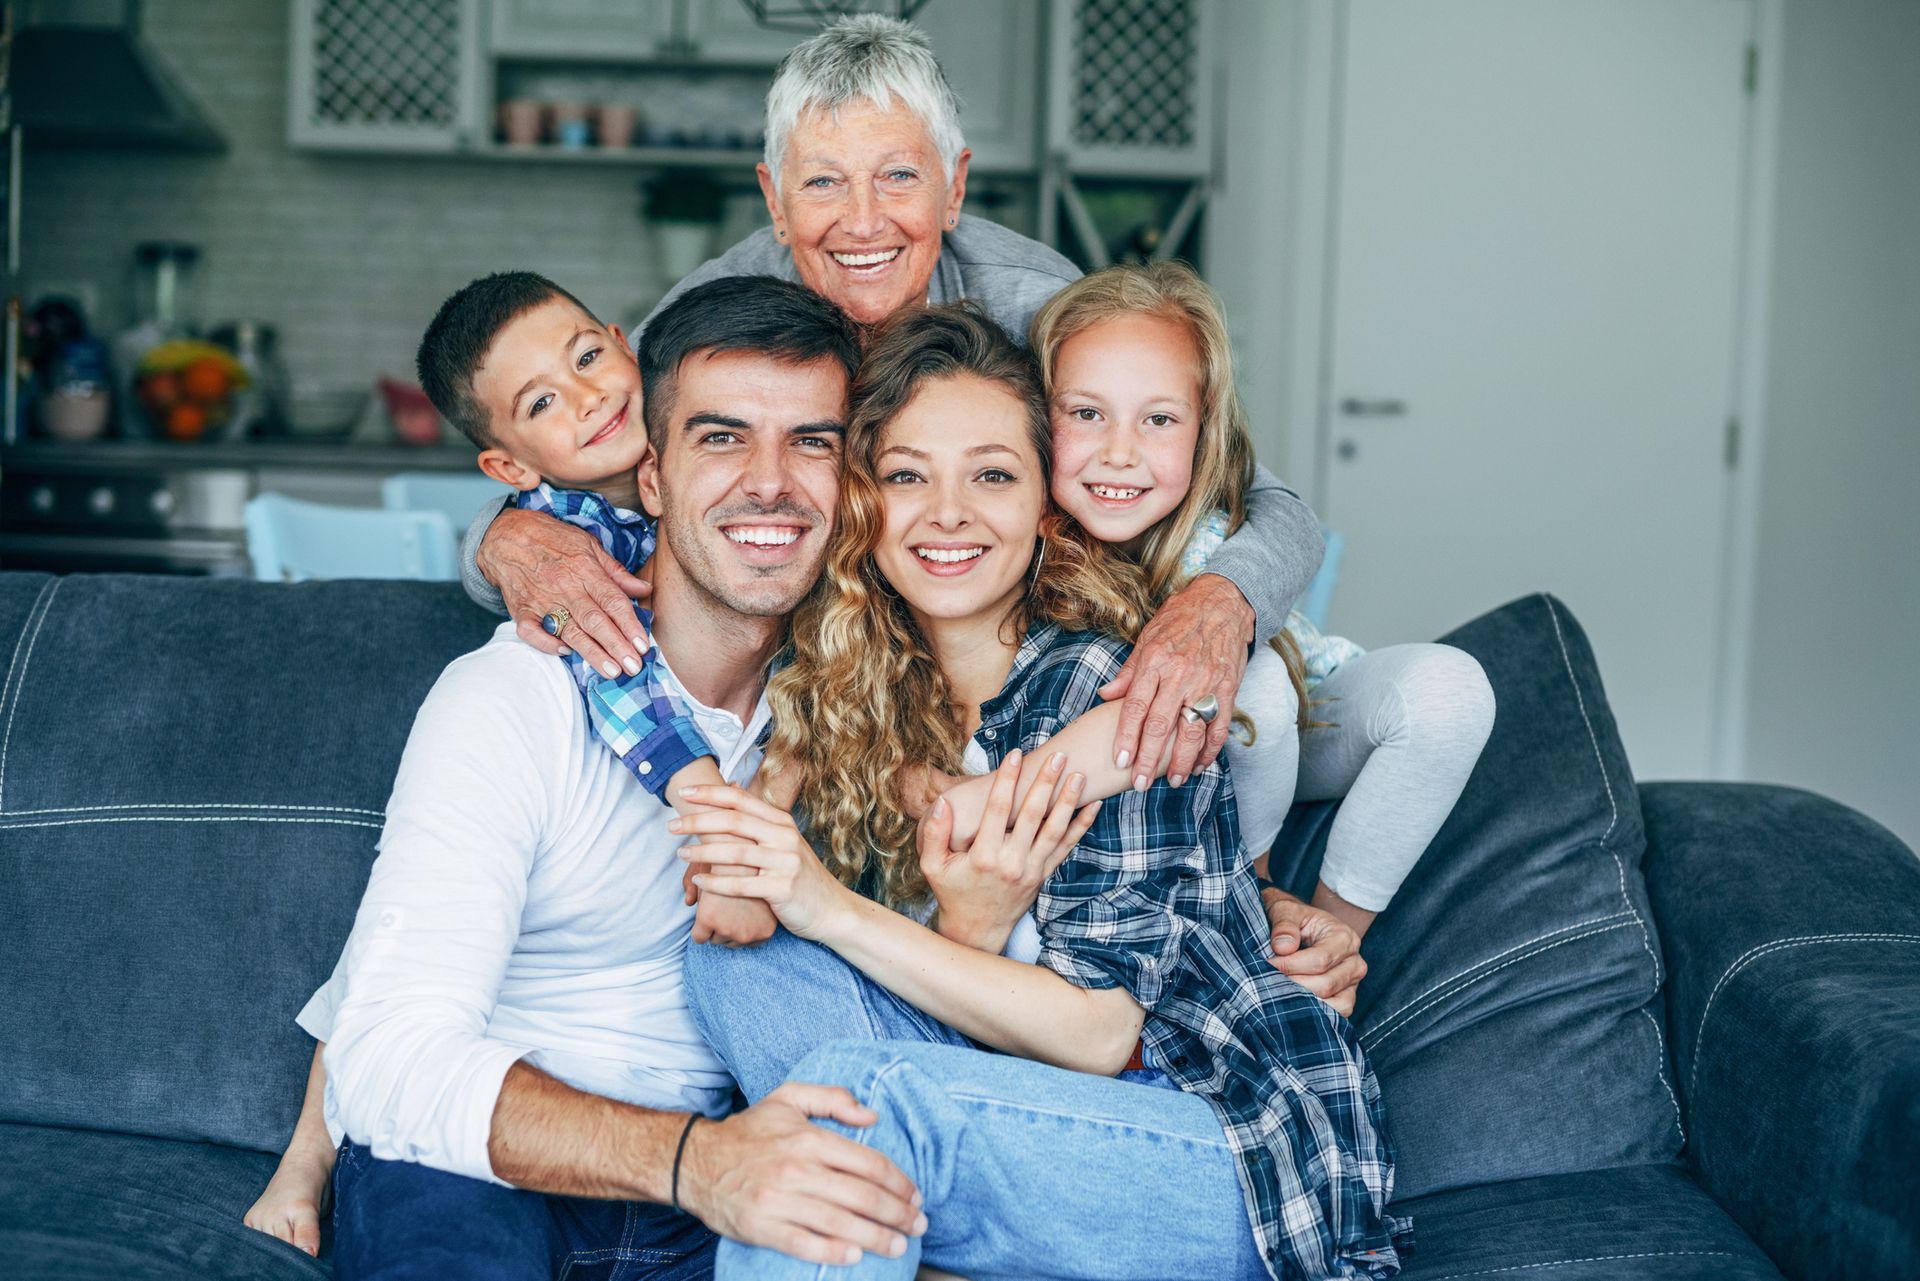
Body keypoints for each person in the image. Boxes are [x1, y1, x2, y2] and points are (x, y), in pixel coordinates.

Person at [675, 303, 1410, 1281]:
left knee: (862, 1098)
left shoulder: (1116, 693)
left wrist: (826, 905)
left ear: (1044, 505)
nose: (947, 514)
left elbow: (1102, 1035)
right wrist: (953, 922)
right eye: (905, 476)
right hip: (1016, 1119)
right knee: (741, 971)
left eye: (991, 474)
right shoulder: (859, 693)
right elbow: (754, 910)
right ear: (862, 505)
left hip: (1217, 1143)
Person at [463, 15, 1329, 818]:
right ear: (774, 199)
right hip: (824, 678)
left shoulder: (1038, 305)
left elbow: (1275, 509)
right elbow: (560, 457)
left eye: (899, 177)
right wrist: (503, 541)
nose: (863, 221)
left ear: (954, 188)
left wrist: (1217, 604)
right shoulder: (710, 317)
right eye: (824, 183)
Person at [251, 275, 941, 1279]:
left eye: (813, 442)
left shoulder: (857, 694)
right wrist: (695, 1163)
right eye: (719, 439)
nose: (770, 482)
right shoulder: (517, 691)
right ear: (651, 477)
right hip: (480, 1170)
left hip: (723, 1184)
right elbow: (389, 1064)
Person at [930, 262, 1497, 940]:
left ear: (1205, 435)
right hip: (1151, 755)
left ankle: (1325, 939)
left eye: (1159, 420)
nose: (1119, 453)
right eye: (1087, 413)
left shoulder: (1218, 530)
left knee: (1444, 692)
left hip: (1300, 720)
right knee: (1251, 700)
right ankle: (1249, 908)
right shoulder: (1005, 538)